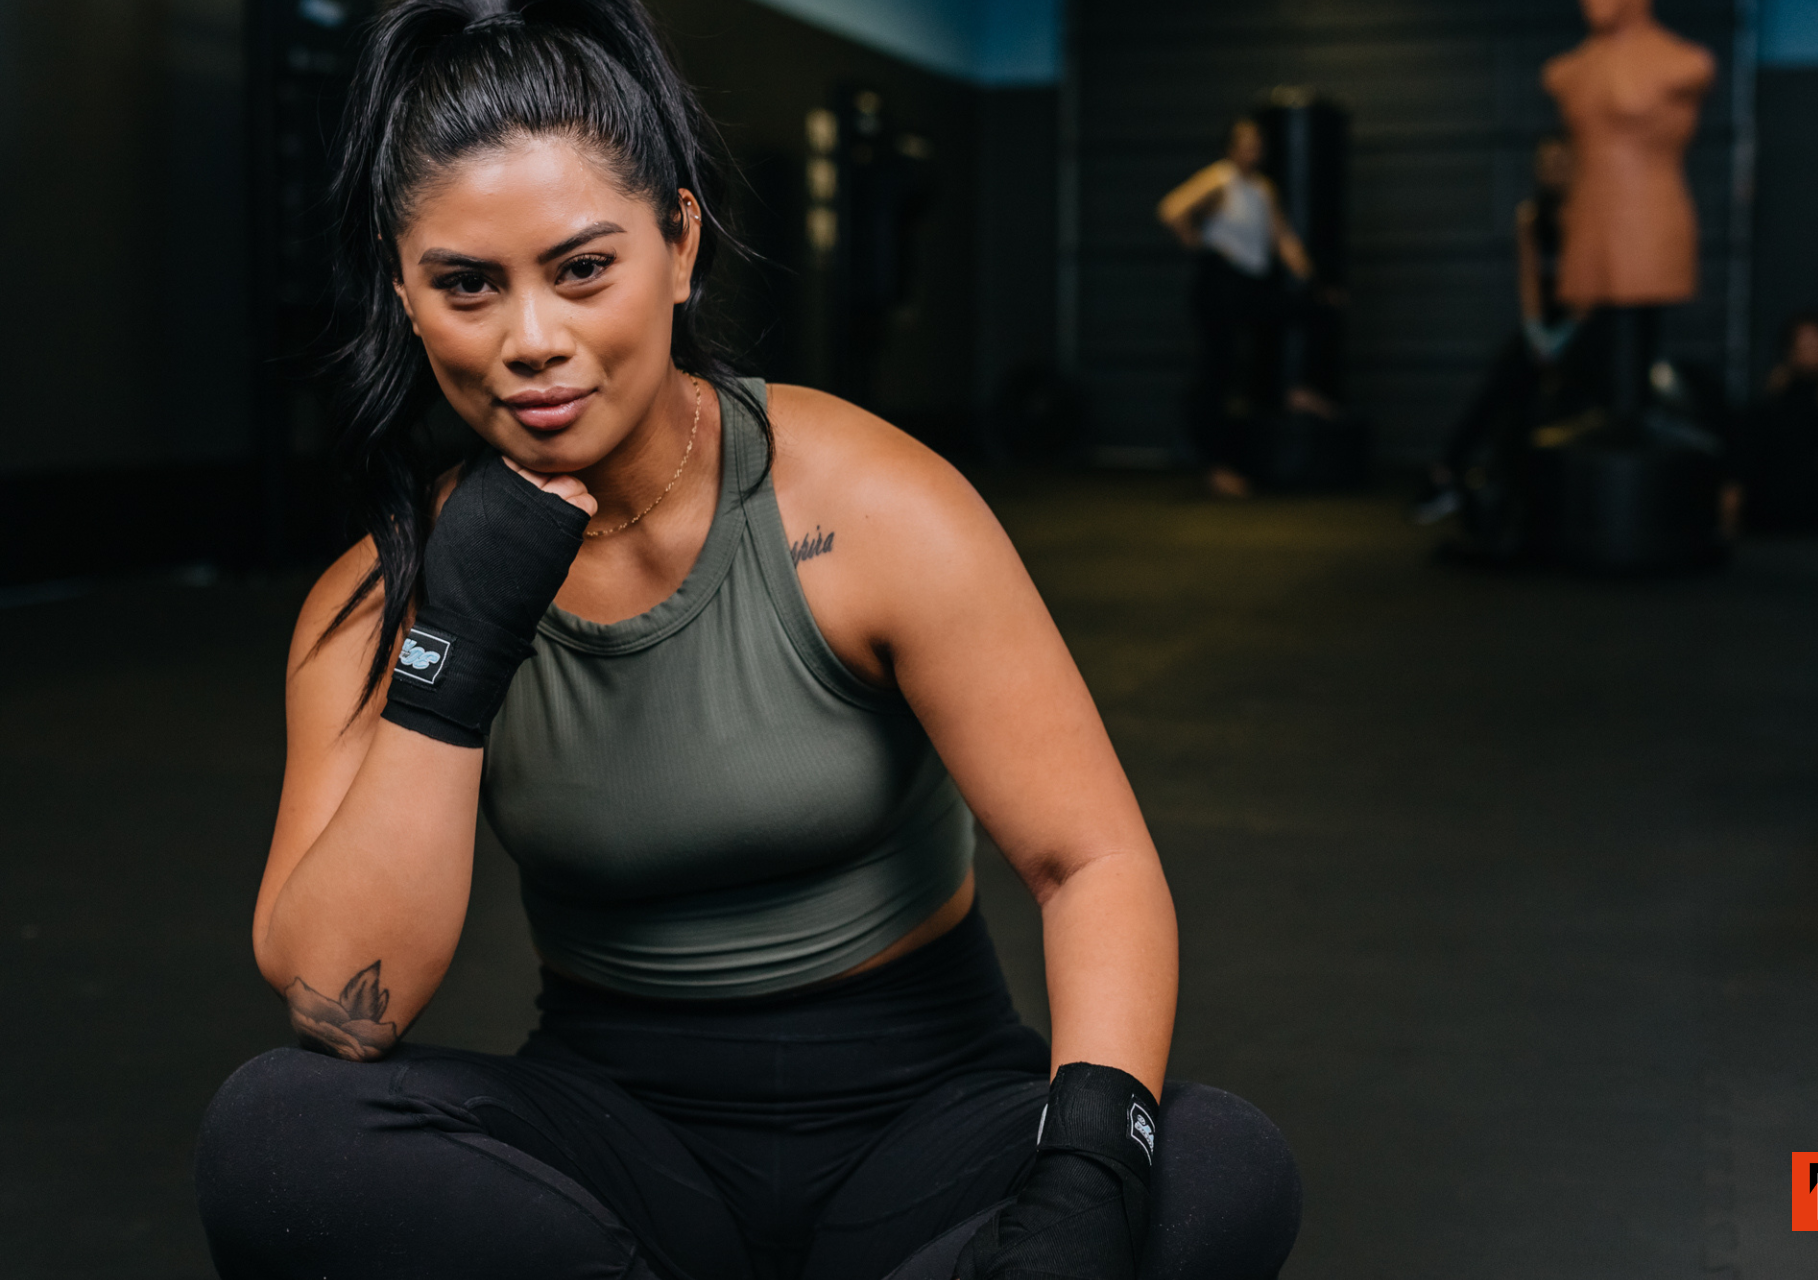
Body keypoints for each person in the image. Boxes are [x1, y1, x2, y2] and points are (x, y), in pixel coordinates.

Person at [190, 4, 1302, 1280]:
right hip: (620, 1142)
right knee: (273, 1138)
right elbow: (340, 999)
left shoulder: (869, 506)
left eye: (584, 267)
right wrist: (456, 645)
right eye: (468, 286)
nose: (532, 339)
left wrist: (1087, 1177)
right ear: (407, 293)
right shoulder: (379, 603)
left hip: (926, 1113)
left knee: (1216, 1163)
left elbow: (1090, 860)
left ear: (679, 240)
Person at [1544, 0, 1714, 422]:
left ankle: (1632, 411)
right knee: (1599, 327)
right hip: (1590, 214)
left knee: (1636, 319)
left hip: (1650, 217)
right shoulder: (1567, 71)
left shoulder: (1684, 64)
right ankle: (1613, 411)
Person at [1416, 135, 1593, 525]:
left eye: (1562, 162)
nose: (1554, 170)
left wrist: (1567, 335)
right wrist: (1535, 331)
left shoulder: (1588, 215)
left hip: (1582, 327)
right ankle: (1446, 474)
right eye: (1546, 164)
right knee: (1501, 384)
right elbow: (1529, 279)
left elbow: (1590, 287)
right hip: (1543, 328)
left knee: (1564, 402)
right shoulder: (1529, 215)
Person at [1157, 117, 1315, 497]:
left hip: (1250, 285)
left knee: (1294, 320)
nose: (1252, 151)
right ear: (1231, 148)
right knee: (1219, 371)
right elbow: (1171, 208)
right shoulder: (1219, 178)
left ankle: (1295, 392)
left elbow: (1284, 239)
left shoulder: (1263, 189)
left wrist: (1310, 279)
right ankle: (1216, 466)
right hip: (1220, 283)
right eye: (1245, 144)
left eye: (1257, 144)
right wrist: (1198, 245)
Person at [1726, 311, 1818, 541]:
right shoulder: (1781, 379)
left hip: (1817, 487)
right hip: (1772, 482)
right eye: (1800, 347)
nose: (1807, 354)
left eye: (1815, 346)